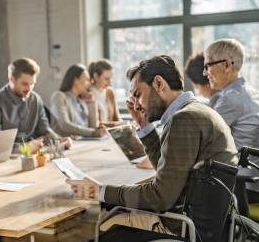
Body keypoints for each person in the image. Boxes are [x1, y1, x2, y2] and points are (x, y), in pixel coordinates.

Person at [66, 55, 237, 233]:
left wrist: (100, 191)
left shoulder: (184, 119)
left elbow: (160, 196)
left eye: (138, 94)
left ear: (159, 84)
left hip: (183, 229)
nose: (137, 104)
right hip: (201, 223)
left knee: (95, 224)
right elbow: (166, 172)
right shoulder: (196, 111)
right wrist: (144, 126)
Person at [203, 38, 259, 203]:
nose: (205, 73)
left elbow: (202, 138)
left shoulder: (231, 99)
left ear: (227, 65)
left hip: (246, 185)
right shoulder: (250, 92)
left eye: (208, 66)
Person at [0, 57, 69, 153]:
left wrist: (59, 140)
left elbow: (45, 131)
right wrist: (26, 148)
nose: (29, 89)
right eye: (25, 84)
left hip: (28, 156)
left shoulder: (36, 99)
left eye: (32, 84)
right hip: (0, 158)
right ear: (12, 79)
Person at [50, 64, 106, 138]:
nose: (89, 84)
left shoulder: (82, 100)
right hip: (68, 143)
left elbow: (94, 127)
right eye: (86, 80)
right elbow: (65, 125)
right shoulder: (59, 96)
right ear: (75, 80)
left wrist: (92, 103)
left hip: (86, 142)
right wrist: (92, 132)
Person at [88, 59, 121, 126]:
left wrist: (124, 124)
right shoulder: (87, 94)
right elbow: (91, 123)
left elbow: (117, 118)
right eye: (106, 79)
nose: (110, 82)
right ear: (96, 76)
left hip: (110, 135)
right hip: (95, 134)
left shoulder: (110, 92)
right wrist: (115, 124)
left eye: (111, 78)